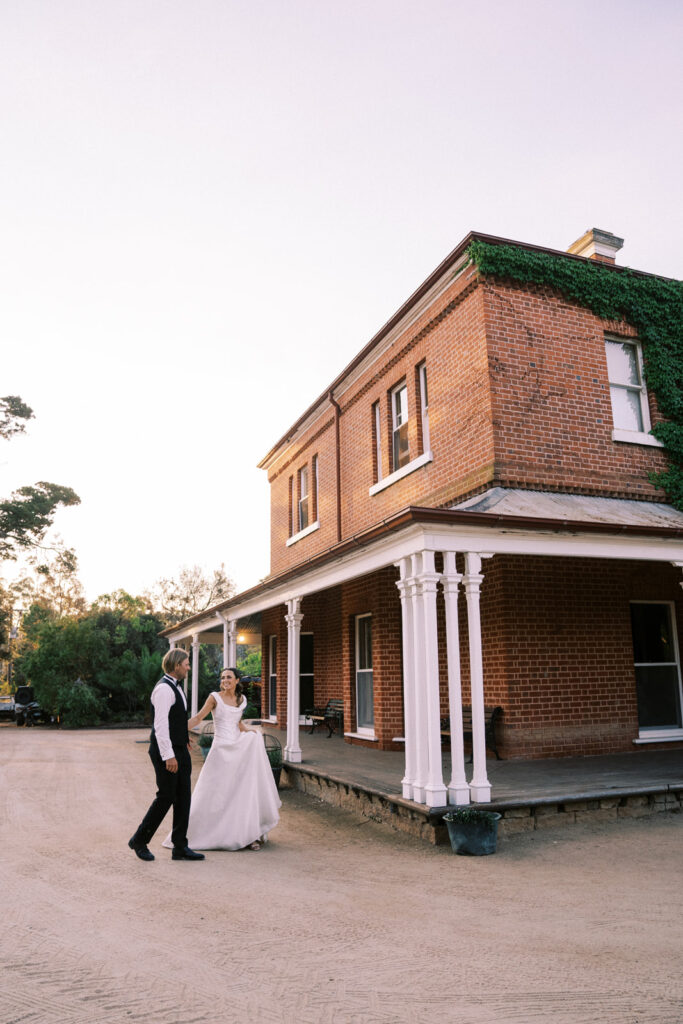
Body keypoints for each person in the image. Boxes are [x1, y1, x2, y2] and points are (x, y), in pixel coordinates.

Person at [162, 666, 281, 851]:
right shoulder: (214, 697)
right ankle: (196, 834)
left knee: (241, 791)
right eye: (223, 677)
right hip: (221, 750)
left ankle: (248, 835)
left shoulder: (241, 700)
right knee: (214, 792)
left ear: (237, 681)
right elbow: (199, 717)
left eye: (229, 677)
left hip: (238, 750)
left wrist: (251, 733)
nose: (225, 680)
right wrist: (174, 729)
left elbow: (238, 723)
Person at [128, 649, 205, 862]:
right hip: (167, 751)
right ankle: (139, 840)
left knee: (183, 798)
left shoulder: (177, 688)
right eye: (186, 664)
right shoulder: (163, 689)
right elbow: (160, 727)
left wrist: (183, 740)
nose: (189, 668)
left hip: (179, 748)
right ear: (176, 665)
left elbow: (175, 721)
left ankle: (179, 846)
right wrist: (169, 755)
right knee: (166, 796)